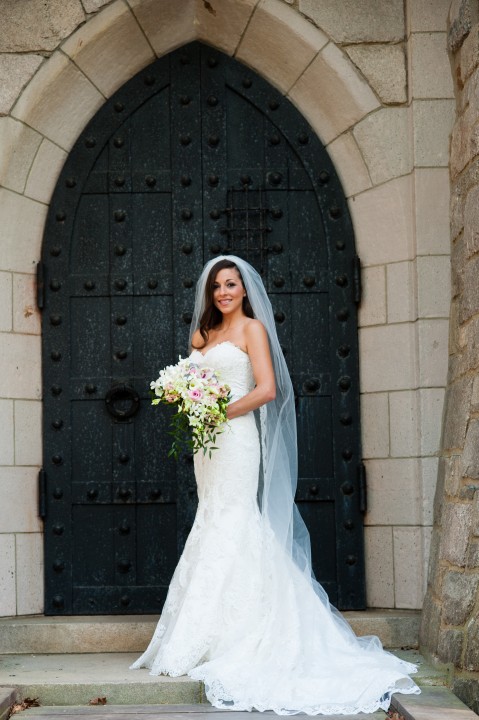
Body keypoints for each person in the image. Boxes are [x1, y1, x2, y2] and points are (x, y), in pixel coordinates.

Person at [131, 255, 420, 715]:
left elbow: (267, 389)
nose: (224, 292)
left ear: (245, 290)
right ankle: (202, 632)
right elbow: (193, 381)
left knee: (236, 518)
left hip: (237, 438)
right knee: (212, 518)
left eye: (231, 284)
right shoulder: (201, 336)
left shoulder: (252, 331)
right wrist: (187, 399)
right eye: (217, 286)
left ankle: (245, 631)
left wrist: (218, 412)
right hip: (207, 446)